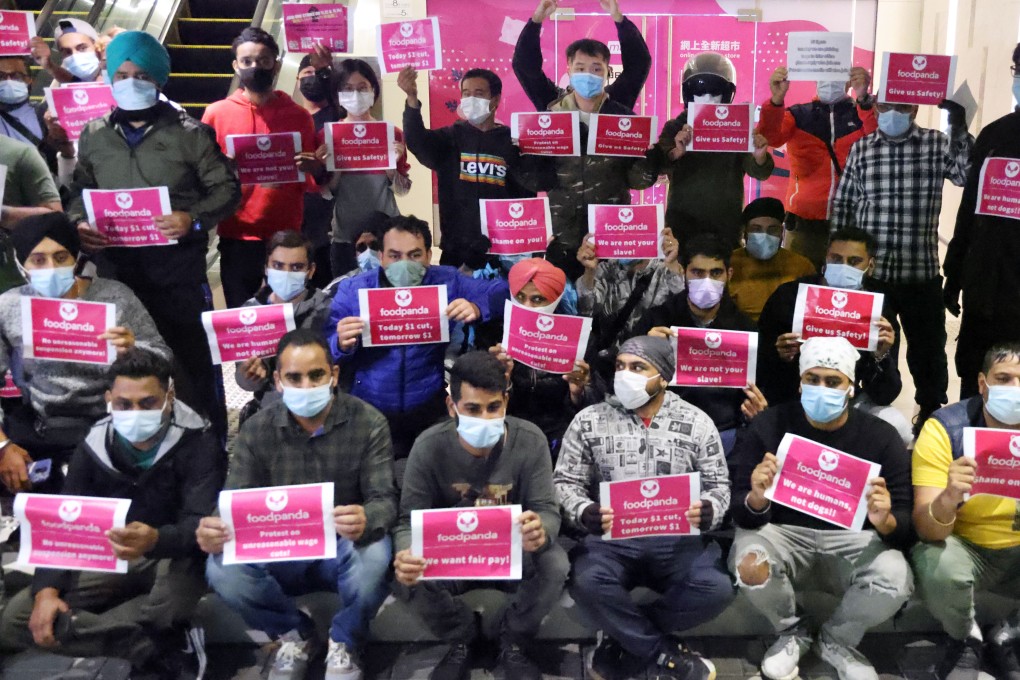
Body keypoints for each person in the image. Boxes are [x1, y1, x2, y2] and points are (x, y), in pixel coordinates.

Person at [0, 348, 223, 676]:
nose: (135, 412)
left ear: (169, 396)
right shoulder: (94, 444)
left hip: (173, 553)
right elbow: (66, 522)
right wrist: (47, 591)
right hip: (110, 552)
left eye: (147, 402)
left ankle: (107, 633)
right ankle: (143, 645)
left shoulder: (200, 443)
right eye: (124, 404)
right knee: (16, 620)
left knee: (166, 609)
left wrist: (155, 539)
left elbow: (198, 525)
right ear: (108, 399)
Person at [68, 30, 242, 439]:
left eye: (142, 74)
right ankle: (134, 446)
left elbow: (227, 190)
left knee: (192, 361)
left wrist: (192, 219)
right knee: (124, 361)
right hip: (116, 271)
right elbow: (78, 190)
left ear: (160, 81)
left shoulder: (190, 133)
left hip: (176, 271)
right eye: (122, 73)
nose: (131, 81)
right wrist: (79, 223)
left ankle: (209, 444)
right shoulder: (94, 134)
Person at [198, 329, 397, 680]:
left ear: (333, 376)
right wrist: (215, 526)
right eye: (294, 377)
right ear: (277, 381)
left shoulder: (369, 422)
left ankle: (345, 640)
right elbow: (234, 499)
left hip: (340, 545)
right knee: (221, 569)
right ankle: (294, 634)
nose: (306, 385)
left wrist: (367, 517)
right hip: (280, 546)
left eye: (316, 375)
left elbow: (384, 499)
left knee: (378, 555)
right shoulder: (256, 430)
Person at [730, 336, 913, 680]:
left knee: (894, 578)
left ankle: (837, 640)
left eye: (833, 381)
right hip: (783, 534)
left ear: (851, 388)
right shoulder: (769, 425)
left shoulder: (882, 436)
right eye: (812, 379)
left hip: (853, 538)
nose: (821, 388)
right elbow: (741, 514)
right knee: (750, 563)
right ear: (799, 384)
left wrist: (885, 519)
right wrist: (757, 497)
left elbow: (905, 527)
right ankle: (791, 632)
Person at [554, 335, 731, 680]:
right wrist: (583, 510)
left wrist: (710, 509)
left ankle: (622, 638)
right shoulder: (590, 419)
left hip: (677, 541)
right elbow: (564, 483)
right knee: (587, 581)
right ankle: (663, 652)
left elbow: (719, 487)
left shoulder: (697, 422)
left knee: (717, 588)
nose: (625, 374)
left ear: (663, 377)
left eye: (638, 367)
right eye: (620, 366)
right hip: (611, 540)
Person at [392, 351, 569, 680]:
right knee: (403, 574)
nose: (485, 418)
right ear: (452, 407)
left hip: (512, 553)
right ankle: (460, 636)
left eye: (493, 407)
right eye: (472, 409)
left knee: (555, 563)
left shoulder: (530, 440)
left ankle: (512, 639)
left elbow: (547, 510)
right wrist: (406, 552)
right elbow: (408, 522)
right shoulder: (428, 446)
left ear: (505, 401)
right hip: (452, 557)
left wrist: (540, 530)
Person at [830, 95, 973, 433]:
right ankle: (872, 414)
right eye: (884, 107)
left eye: (902, 107)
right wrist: (837, 260)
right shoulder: (862, 148)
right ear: (875, 108)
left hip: (919, 271)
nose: (892, 114)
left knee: (928, 351)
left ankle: (929, 414)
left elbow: (966, 174)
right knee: (872, 348)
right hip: (871, 275)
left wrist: (959, 126)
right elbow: (843, 202)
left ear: (916, 109)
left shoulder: (936, 144)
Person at [0, 213, 171, 494]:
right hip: (42, 423)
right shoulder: (9, 306)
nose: (50, 268)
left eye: (60, 257)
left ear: (75, 258)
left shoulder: (115, 296)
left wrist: (133, 350)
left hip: (114, 421)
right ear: (21, 264)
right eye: (38, 260)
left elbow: (164, 358)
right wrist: (3, 447)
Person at [327, 214, 509, 459]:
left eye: (414, 255)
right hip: (369, 408)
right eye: (394, 255)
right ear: (380, 257)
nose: (405, 263)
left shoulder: (446, 280)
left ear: (428, 256)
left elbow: (503, 292)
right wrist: (339, 343)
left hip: (427, 406)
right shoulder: (354, 290)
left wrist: (477, 307)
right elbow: (324, 347)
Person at [512, 0, 653, 279]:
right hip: (562, 235)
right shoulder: (552, 108)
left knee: (609, 309)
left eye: (596, 68)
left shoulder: (619, 108)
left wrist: (618, 18)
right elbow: (525, 66)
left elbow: (640, 64)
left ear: (606, 71)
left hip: (611, 234)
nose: (588, 74)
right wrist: (537, 20)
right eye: (580, 67)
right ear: (568, 68)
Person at [910, 342, 1020, 680]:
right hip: (968, 549)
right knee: (936, 563)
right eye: (1004, 379)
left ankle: (1010, 633)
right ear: (983, 383)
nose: (1015, 390)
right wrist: (948, 497)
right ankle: (966, 637)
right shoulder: (945, 429)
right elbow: (926, 529)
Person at [202, 27, 327, 308]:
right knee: (242, 315)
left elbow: (311, 178)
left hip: (287, 234)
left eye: (263, 60)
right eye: (246, 61)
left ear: (276, 64)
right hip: (237, 234)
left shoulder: (299, 116)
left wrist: (314, 166)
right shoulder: (216, 114)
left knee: (288, 314)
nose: (255, 67)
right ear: (236, 66)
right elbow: (203, 176)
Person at [755, 227, 907, 443]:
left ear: (870, 266)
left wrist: (881, 356)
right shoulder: (789, 297)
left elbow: (886, 395)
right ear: (825, 259)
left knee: (897, 425)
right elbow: (759, 368)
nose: (843, 267)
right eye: (836, 259)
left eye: (854, 261)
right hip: (792, 395)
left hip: (847, 398)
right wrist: (778, 355)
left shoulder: (878, 310)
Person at [635, 234, 768, 454]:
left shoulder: (746, 330)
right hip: (663, 430)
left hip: (724, 433)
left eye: (715, 273)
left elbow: (758, 391)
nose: (707, 280)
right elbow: (628, 385)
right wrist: (645, 354)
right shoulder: (656, 320)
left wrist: (757, 410)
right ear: (684, 272)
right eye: (697, 272)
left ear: (729, 274)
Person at [943, 44, 1020, 400]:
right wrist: (954, 272)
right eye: (1017, 69)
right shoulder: (995, 134)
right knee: (975, 378)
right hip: (985, 288)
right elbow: (969, 210)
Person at [399, 65, 530, 271]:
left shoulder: (515, 142)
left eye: (479, 94)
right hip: (456, 248)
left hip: (504, 250)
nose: (471, 99)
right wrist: (412, 100)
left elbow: (530, 187)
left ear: (495, 100)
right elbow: (417, 141)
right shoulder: (451, 137)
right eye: (466, 94)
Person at [647, 52, 774, 248]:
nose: (707, 96)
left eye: (715, 90)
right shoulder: (675, 127)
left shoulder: (738, 126)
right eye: (699, 89)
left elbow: (759, 171)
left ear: (726, 93)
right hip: (682, 228)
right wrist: (676, 152)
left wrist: (759, 156)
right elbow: (657, 167)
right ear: (688, 93)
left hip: (725, 228)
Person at [756, 66, 876, 268]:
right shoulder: (797, 114)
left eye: (837, 73)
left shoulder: (861, 114)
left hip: (851, 216)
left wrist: (863, 97)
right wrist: (776, 99)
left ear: (849, 80)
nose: (829, 79)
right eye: (823, 73)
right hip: (804, 221)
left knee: (845, 286)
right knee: (800, 281)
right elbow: (770, 137)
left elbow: (878, 139)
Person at [488, 258, 603, 459]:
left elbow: (595, 409)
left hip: (562, 439)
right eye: (520, 296)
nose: (527, 305)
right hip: (511, 437)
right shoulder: (497, 336)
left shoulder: (579, 340)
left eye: (538, 299)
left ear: (555, 299)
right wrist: (501, 378)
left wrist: (579, 391)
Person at [234, 230, 332, 418]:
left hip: (319, 409)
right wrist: (250, 375)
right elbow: (244, 381)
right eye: (278, 266)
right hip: (271, 412)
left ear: (310, 271)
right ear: (266, 268)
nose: (286, 274)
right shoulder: (250, 312)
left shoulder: (328, 309)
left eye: (296, 268)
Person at [328, 57, 410, 276]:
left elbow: (403, 190)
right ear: (338, 94)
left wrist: (392, 168)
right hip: (346, 237)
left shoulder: (392, 134)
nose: (355, 95)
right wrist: (335, 165)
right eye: (348, 89)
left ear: (374, 90)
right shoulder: (328, 136)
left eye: (362, 88)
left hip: (387, 235)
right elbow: (326, 194)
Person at [576, 229, 683, 376]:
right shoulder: (606, 269)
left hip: (652, 365)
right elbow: (587, 310)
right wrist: (589, 271)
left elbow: (683, 309)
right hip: (611, 365)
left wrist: (673, 263)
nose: (628, 239)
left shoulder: (666, 270)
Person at [728, 197, 816, 323]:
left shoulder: (801, 266)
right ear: (745, 232)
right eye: (756, 229)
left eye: (772, 230)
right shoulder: (730, 262)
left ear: (781, 233)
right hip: (740, 334)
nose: (764, 236)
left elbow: (810, 312)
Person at [296, 45, 341, 289]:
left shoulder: (337, 116)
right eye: (307, 73)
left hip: (328, 221)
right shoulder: (291, 118)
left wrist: (326, 70)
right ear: (297, 77)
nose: (312, 79)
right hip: (297, 216)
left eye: (318, 74)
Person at [30, 18, 104, 86]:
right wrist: (48, 64)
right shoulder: (79, 84)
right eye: (68, 52)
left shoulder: (112, 75)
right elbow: (73, 81)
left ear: (97, 46)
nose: (75, 56)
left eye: (82, 48)